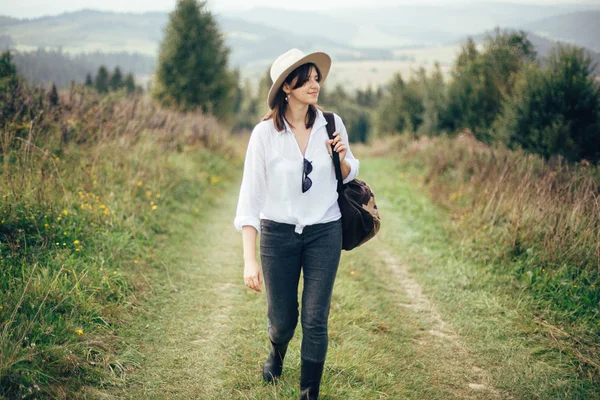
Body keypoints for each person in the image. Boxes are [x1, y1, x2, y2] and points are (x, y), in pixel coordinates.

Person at [233, 48, 359, 400]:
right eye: (307, 77)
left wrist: (342, 159)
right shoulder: (263, 135)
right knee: (284, 317)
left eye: (317, 77)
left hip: (324, 230)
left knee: (316, 318)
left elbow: (348, 174)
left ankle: (309, 392)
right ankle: (277, 350)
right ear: (287, 86)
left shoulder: (331, 123)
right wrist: (249, 259)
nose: (315, 84)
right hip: (277, 234)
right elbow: (250, 199)